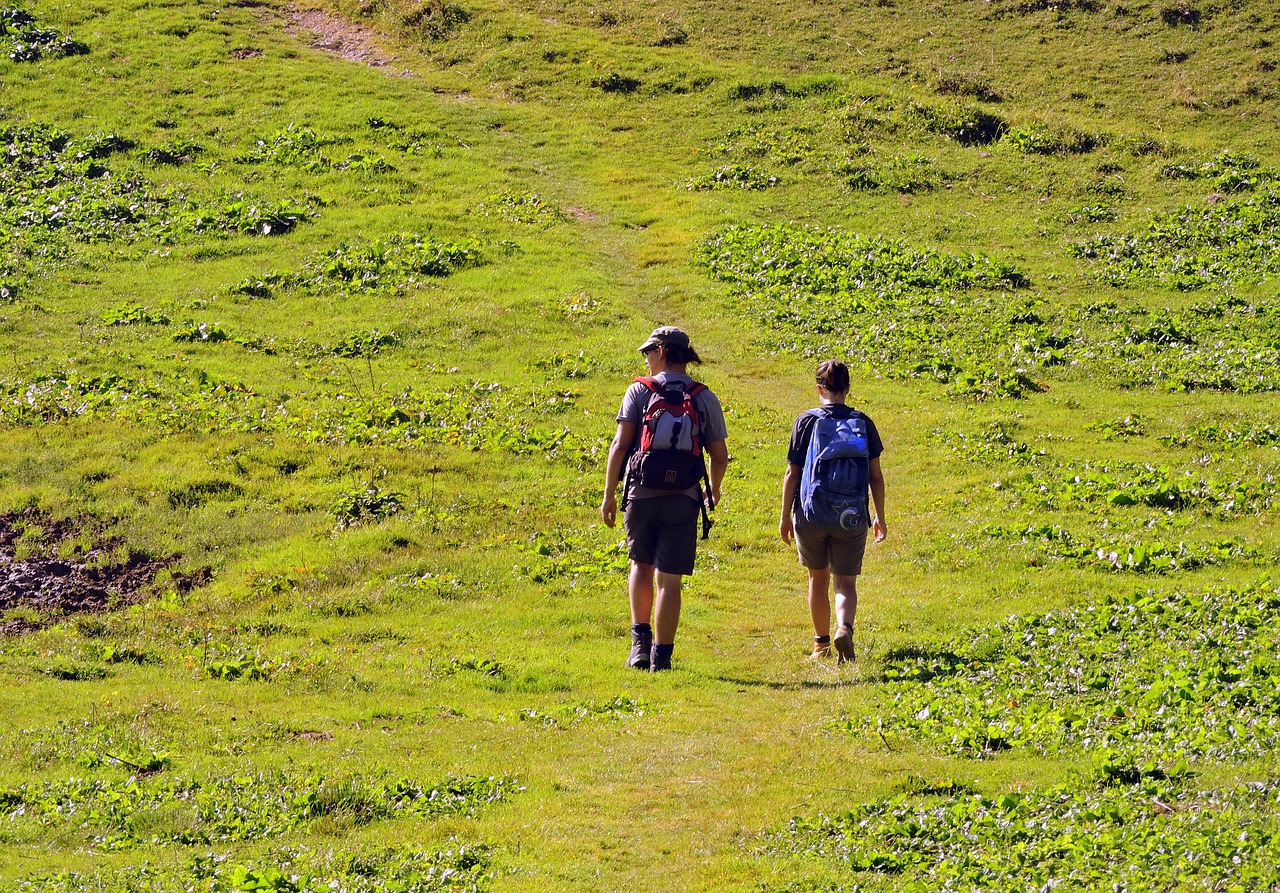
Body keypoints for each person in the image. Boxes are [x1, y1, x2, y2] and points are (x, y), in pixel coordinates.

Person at [601, 326, 729, 671]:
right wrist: (713, 490)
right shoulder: (704, 396)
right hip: (684, 497)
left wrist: (609, 493)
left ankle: (639, 645)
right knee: (669, 580)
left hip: (641, 494)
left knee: (641, 567)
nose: (646, 359)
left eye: (648, 353)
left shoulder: (639, 391)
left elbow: (620, 445)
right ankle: (663, 657)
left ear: (661, 350)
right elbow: (719, 454)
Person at [780, 359, 886, 663]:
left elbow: (792, 473)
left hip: (811, 514)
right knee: (845, 582)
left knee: (818, 578)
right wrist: (879, 515)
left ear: (819, 389)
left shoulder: (806, 421)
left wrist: (785, 515)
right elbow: (876, 476)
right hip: (850, 514)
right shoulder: (862, 422)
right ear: (848, 389)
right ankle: (845, 628)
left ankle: (821, 645)